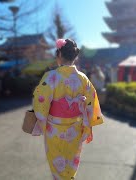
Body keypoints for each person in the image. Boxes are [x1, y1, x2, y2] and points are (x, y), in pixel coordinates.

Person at [31, 39, 104, 180]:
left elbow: (40, 101)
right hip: (75, 129)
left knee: (56, 161)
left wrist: (41, 122)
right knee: (72, 161)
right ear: (75, 57)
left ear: (59, 55)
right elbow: (91, 102)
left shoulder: (50, 77)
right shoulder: (83, 79)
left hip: (54, 129)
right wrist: (87, 125)